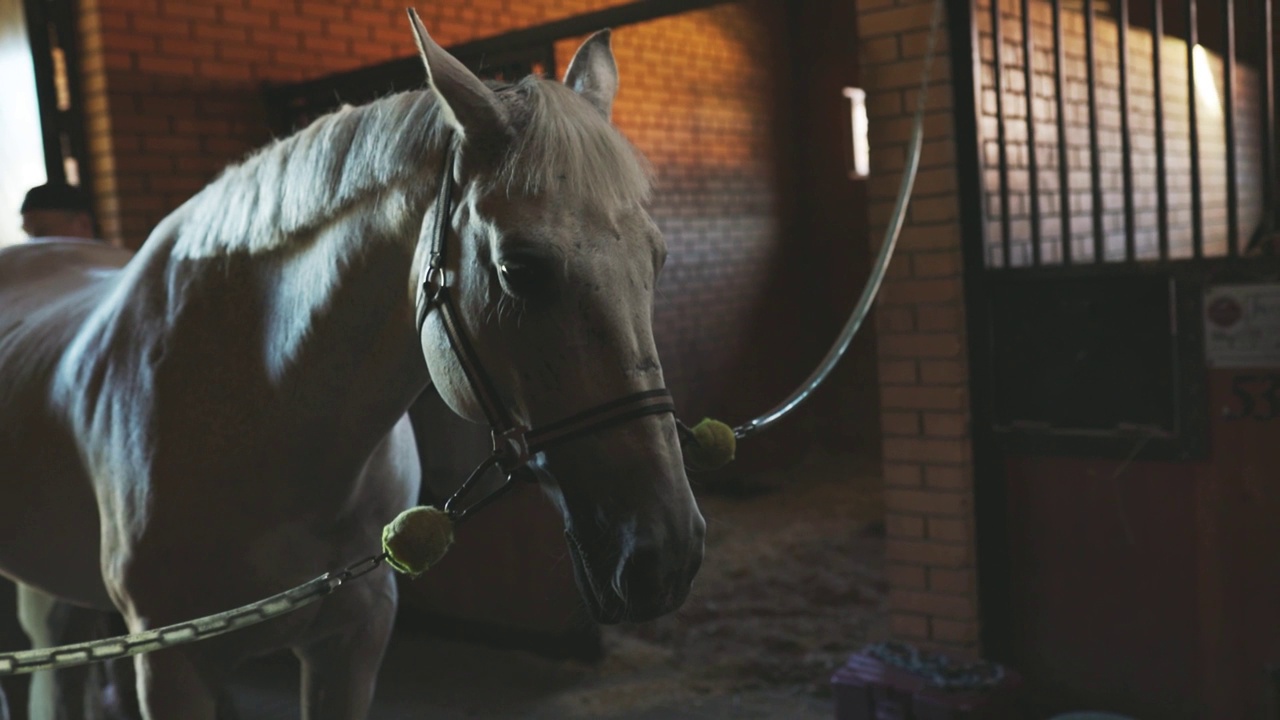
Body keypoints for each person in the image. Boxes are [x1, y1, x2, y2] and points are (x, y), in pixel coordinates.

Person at [19, 182, 95, 241]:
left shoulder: (103, 258)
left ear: (83, 224)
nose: (34, 243)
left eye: (42, 233)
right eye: (29, 235)